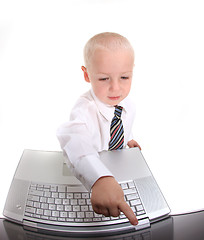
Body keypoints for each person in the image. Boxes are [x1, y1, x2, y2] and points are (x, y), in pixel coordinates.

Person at [57, 32, 141, 226]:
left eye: (124, 77)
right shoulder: (84, 108)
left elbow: (121, 124)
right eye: (104, 79)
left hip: (119, 167)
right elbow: (74, 140)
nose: (116, 88)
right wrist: (99, 178)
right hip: (91, 172)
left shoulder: (128, 103)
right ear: (87, 74)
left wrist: (128, 138)